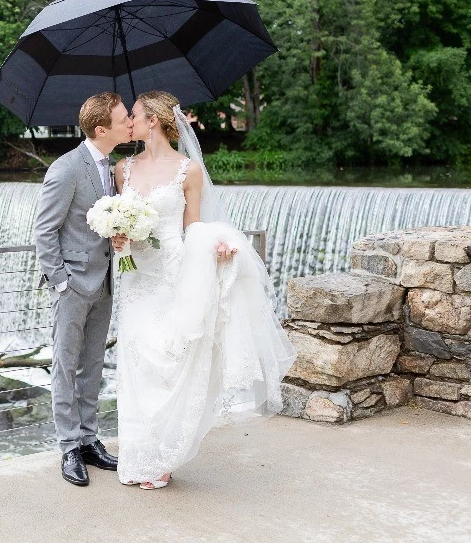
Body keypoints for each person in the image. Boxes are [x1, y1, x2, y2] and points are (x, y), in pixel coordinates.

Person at [112, 90, 296, 490]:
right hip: (135, 276)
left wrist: (218, 247)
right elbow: (118, 219)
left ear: (154, 122)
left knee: (168, 361)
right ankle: (137, 455)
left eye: (136, 115)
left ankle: (163, 457)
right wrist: (118, 236)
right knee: (136, 364)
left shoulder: (188, 170)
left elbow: (192, 226)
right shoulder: (122, 168)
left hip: (172, 274)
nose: (130, 122)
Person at [34, 91, 132, 487]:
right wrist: (61, 282)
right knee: (65, 364)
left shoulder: (114, 169)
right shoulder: (66, 168)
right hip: (73, 285)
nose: (130, 122)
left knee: (92, 364)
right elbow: (44, 229)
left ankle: (90, 440)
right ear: (102, 128)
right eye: (124, 117)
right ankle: (68, 447)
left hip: (105, 282)